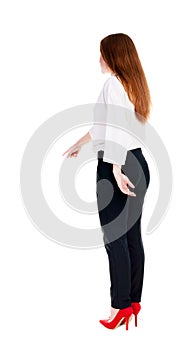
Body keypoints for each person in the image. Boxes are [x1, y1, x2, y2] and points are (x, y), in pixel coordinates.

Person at [62, 33, 151, 331]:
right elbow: (104, 127)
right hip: (138, 162)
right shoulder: (132, 85)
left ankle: (119, 307)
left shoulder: (113, 83)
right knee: (131, 237)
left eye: (101, 53)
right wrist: (79, 143)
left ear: (113, 56)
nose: (98, 59)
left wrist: (114, 169)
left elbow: (115, 131)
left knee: (115, 240)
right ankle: (133, 302)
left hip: (119, 164)